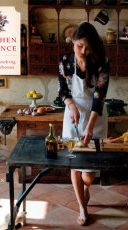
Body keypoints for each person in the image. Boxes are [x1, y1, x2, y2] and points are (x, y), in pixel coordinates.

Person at [58, 22, 109, 226]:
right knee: (75, 164)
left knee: (89, 173)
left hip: (95, 116)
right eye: (80, 46)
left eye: (87, 47)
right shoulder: (65, 62)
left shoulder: (102, 62)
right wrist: (71, 106)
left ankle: (86, 188)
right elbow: (62, 92)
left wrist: (89, 125)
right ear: (73, 42)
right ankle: (82, 207)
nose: (83, 51)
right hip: (73, 116)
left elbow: (99, 97)